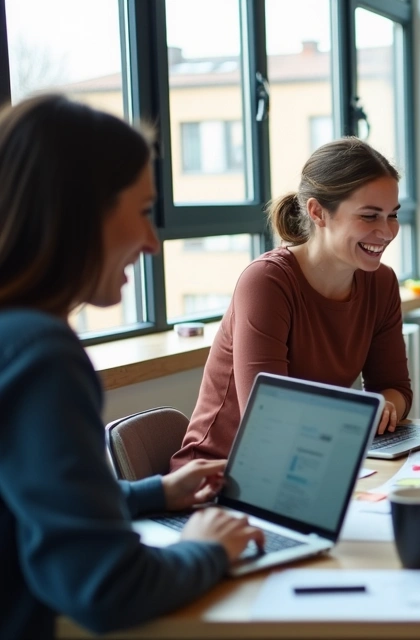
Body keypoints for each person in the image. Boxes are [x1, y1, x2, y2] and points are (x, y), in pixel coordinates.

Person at [0, 95, 264, 637]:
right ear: (76, 215)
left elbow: (28, 501)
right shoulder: (41, 353)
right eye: (143, 212)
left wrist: (154, 493)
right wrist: (207, 549)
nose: (151, 243)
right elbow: (107, 588)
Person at [171, 138, 412, 470]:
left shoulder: (381, 283)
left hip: (311, 462)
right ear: (317, 212)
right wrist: (359, 417)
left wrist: (385, 405)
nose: (386, 231)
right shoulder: (266, 282)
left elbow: (396, 387)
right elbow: (269, 418)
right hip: (221, 473)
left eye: (392, 215)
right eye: (370, 216)